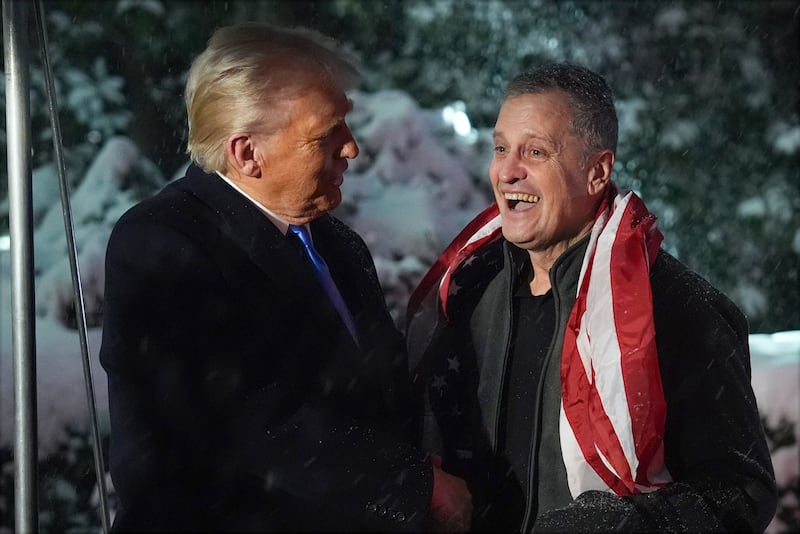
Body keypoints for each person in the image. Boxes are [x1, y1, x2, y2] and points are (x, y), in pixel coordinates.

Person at [99, 21, 472, 532]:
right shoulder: (162, 242)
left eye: (347, 122)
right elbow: (250, 426)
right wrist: (415, 486)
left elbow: (380, 393)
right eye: (327, 133)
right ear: (246, 152)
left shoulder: (337, 243)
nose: (352, 148)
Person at [407, 63, 777, 532]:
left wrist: (612, 525)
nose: (508, 172)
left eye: (535, 152)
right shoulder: (464, 291)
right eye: (501, 148)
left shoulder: (677, 307)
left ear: (597, 171)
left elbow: (743, 490)